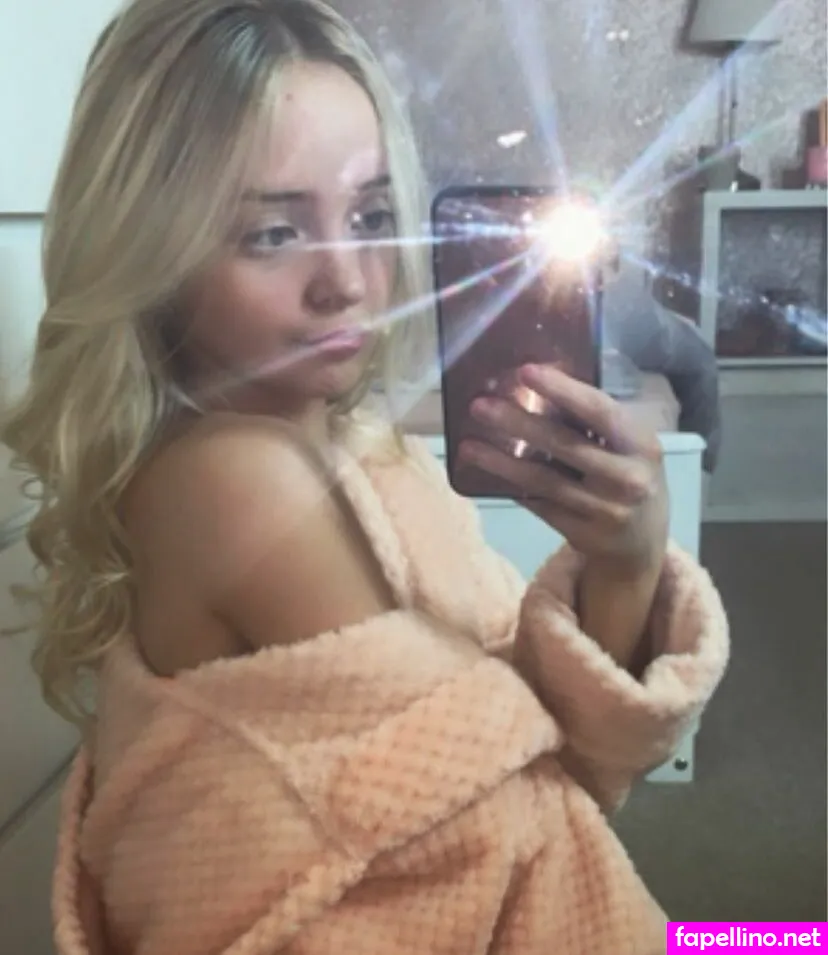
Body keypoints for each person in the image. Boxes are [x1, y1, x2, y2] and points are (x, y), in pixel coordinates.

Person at [2, 1, 729, 953]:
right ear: (154, 249)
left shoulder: (365, 450)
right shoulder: (234, 478)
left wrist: (625, 560)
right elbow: (519, 814)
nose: (346, 280)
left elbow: (533, 772)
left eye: (372, 216)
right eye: (273, 232)